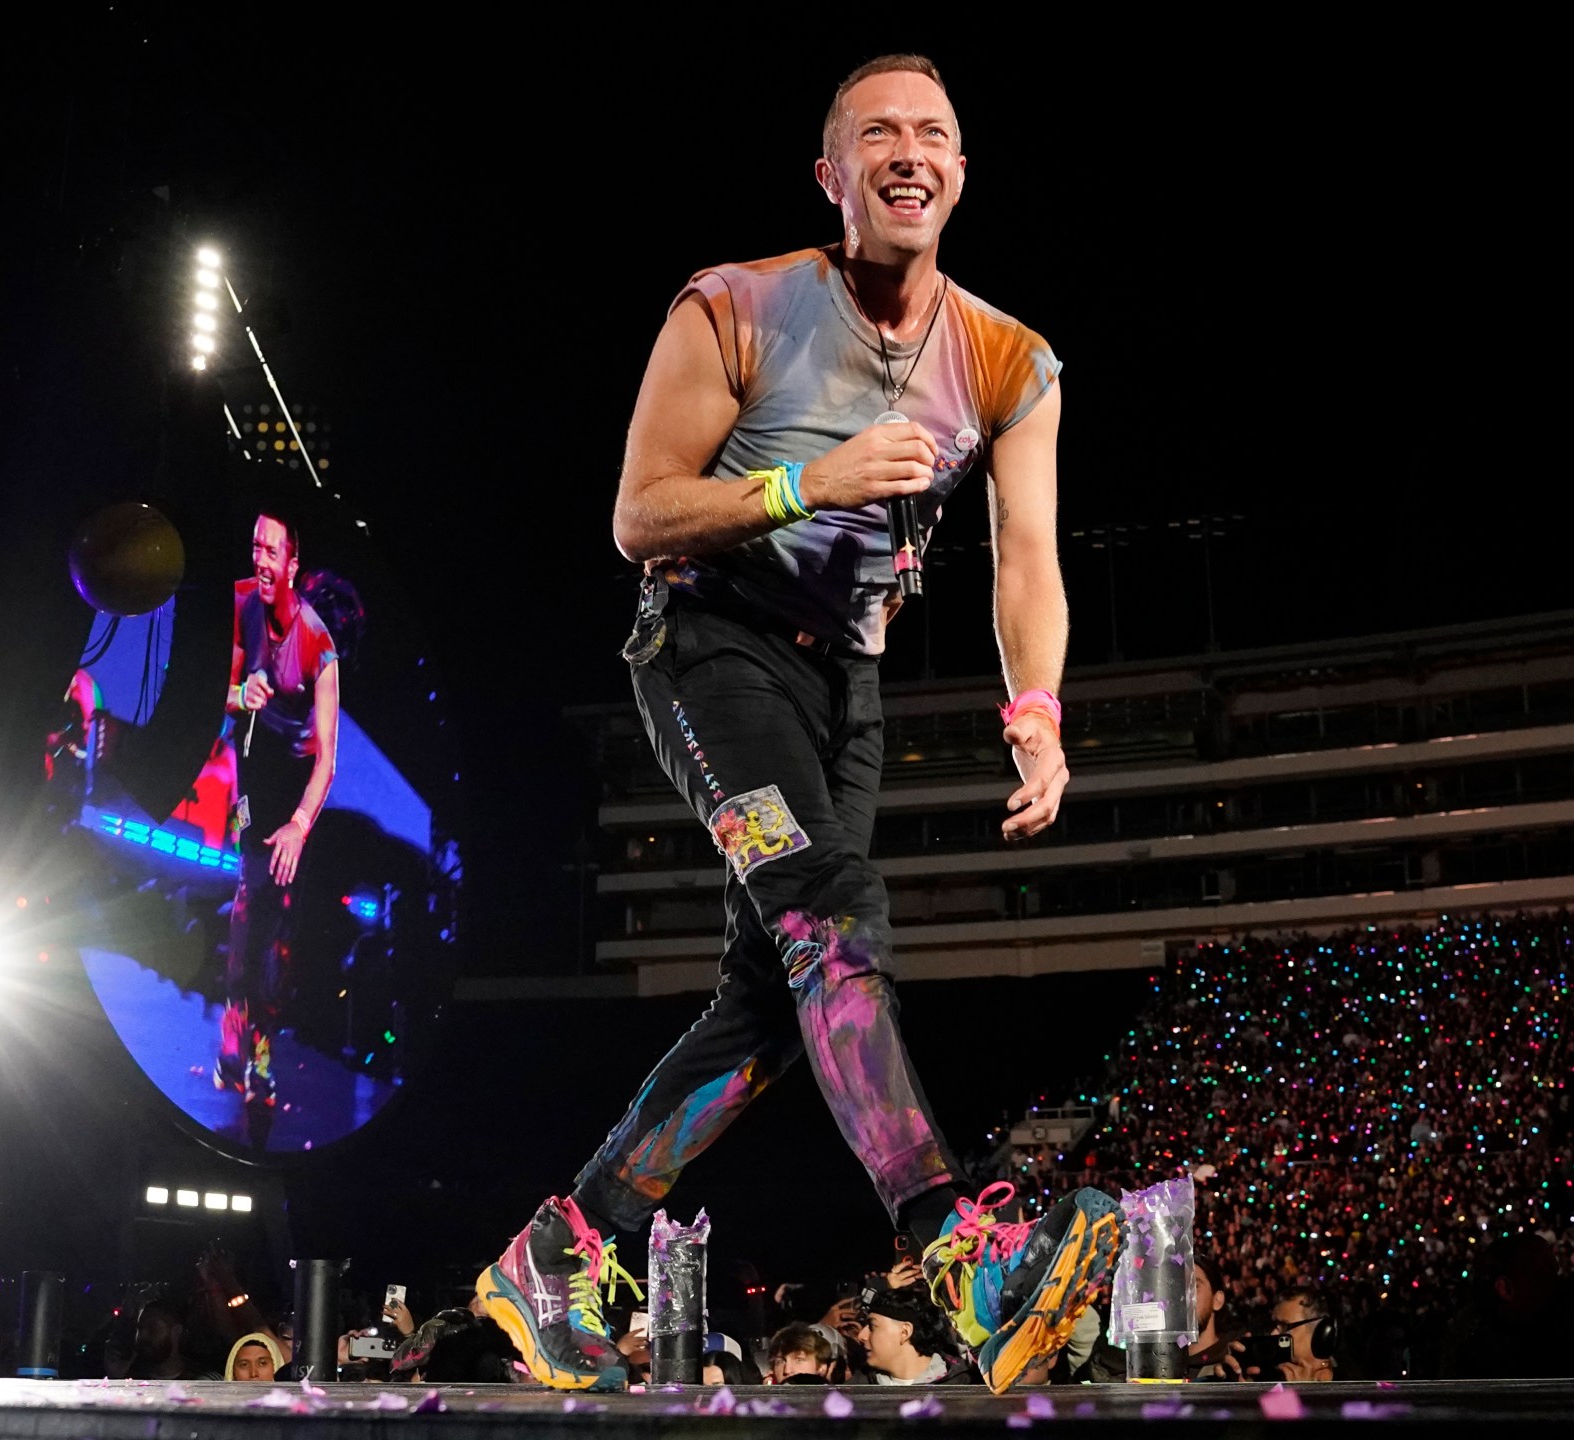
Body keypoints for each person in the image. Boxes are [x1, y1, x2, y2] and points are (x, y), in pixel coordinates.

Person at [477, 53, 1117, 1398]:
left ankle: (565, 1242)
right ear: (834, 177)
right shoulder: (740, 306)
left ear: (957, 172)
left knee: (777, 1002)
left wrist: (1039, 708)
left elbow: (1026, 562)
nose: (909, 148)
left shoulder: (1010, 360)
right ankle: (957, 1245)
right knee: (833, 910)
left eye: (934, 131)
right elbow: (639, 514)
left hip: (848, 691)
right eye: (877, 131)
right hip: (710, 645)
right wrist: (802, 484)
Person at [214, 511, 338, 1106]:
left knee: (281, 916)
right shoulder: (238, 603)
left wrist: (299, 824)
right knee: (249, 890)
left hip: (296, 798)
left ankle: (263, 1035)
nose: (260, 561)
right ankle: (235, 1018)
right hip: (250, 780)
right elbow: (212, 689)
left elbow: (327, 762)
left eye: (271, 552)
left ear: (293, 565)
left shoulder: (319, 644)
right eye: (254, 547)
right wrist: (240, 694)